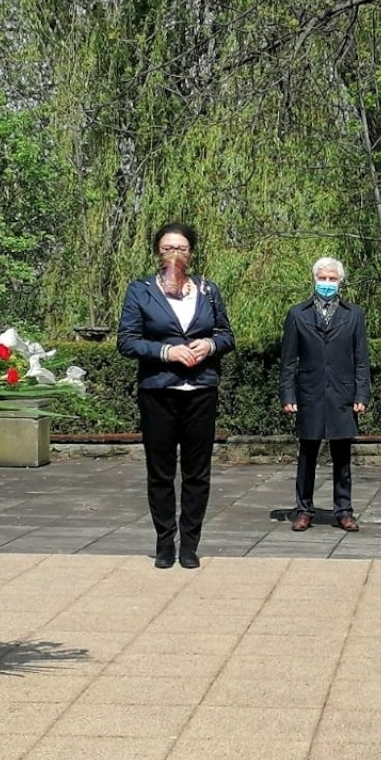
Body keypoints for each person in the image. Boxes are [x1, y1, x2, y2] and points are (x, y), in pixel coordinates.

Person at [117, 223, 236, 570]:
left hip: (201, 391)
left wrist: (210, 344)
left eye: (181, 248)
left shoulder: (208, 290)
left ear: (191, 253)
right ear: (158, 252)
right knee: (161, 472)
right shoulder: (140, 291)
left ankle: (191, 544)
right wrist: (166, 352)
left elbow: (227, 335)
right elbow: (126, 341)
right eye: (168, 248)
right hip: (159, 391)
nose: (174, 254)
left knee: (197, 472)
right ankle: (165, 543)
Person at [280, 257, 371, 531]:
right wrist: (287, 395)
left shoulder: (353, 314)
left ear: (340, 281)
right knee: (307, 455)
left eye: (332, 278)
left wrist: (361, 394)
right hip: (309, 394)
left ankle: (343, 510)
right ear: (314, 279)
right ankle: (304, 510)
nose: (327, 283)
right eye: (323, 278)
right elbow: (287, 361)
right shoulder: (298, 314)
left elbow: (361, 359)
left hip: (342, 395)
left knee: (342, 457)